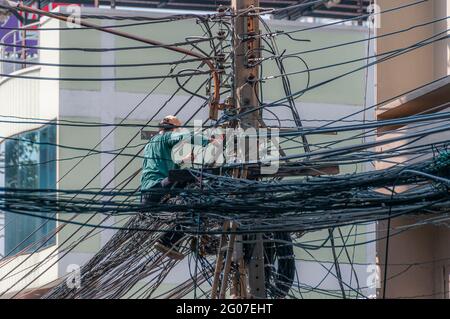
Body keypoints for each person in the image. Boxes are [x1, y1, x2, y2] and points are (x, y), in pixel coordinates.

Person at [141, 115, 214, 260]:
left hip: (150, 198)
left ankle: (169, 241)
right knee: (192, 180)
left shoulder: (152, 145)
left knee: (193, 211)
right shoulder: (164, 137)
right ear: (170, 128)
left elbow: (171, 161)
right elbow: (186, 137)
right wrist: (211, 141)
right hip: (156, 188)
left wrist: (187, 159)